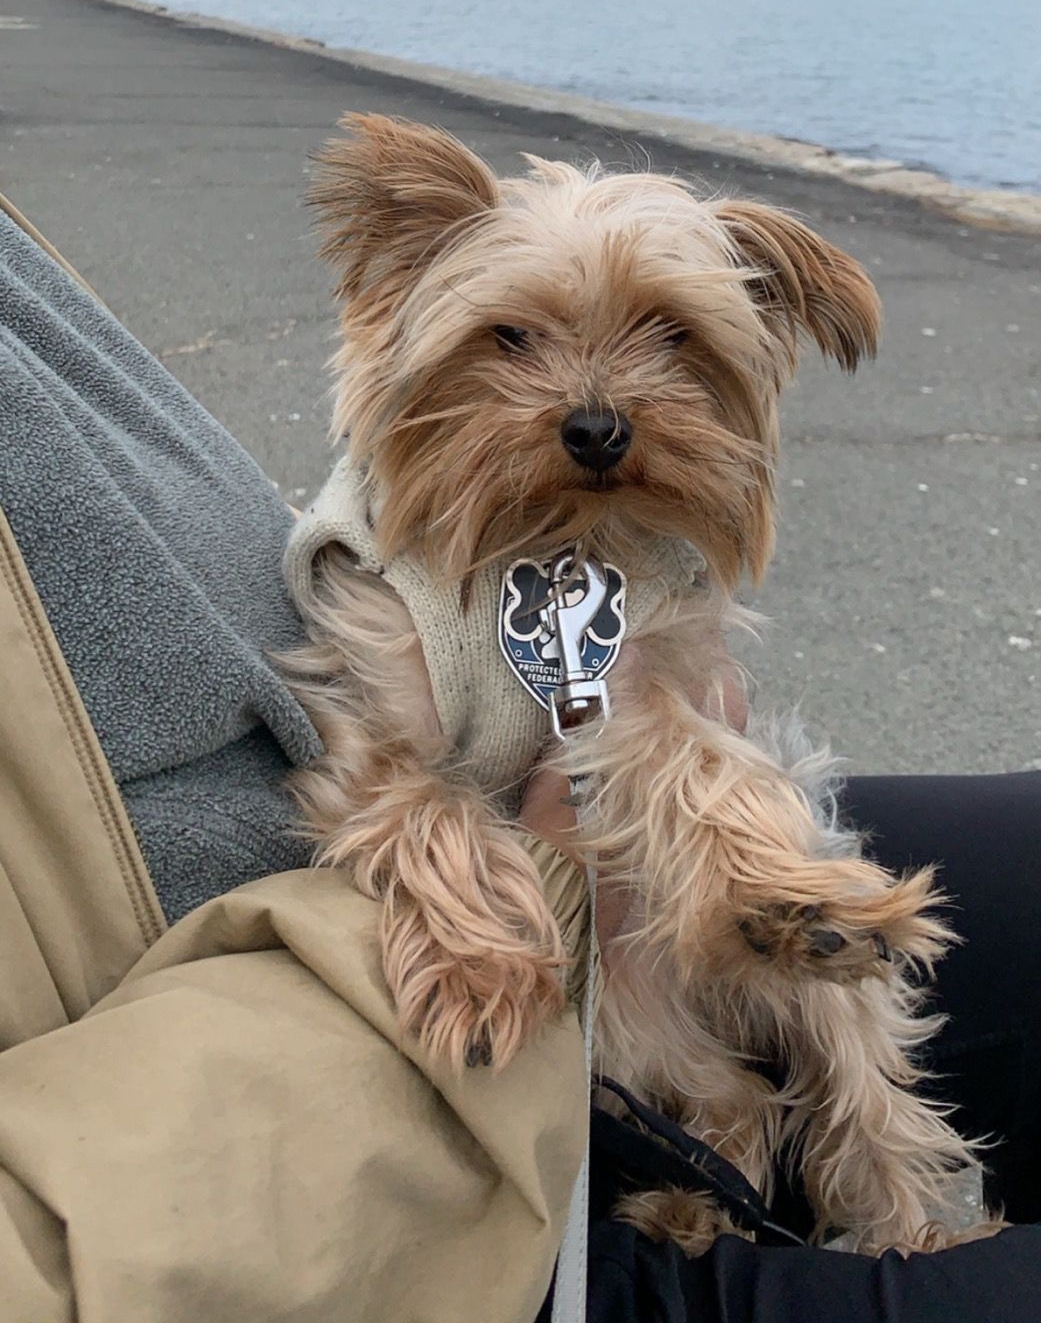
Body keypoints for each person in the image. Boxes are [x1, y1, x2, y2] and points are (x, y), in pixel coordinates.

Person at [0, 189, 1038, 1322]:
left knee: (843, 892)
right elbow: (375, 773)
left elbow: (666, 726)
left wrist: (697, 805)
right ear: (395, 306)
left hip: (617, 907)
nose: (597, 407)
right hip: (369, 1141)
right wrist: (511, 880)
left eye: (672, 338)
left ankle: (886, 1192)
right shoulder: (399, 595)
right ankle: (722, 1182)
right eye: (512, 341)